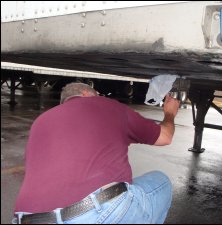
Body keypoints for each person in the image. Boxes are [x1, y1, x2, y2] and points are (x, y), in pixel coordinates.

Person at [13, 82, 180, 224]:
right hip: (96, 212)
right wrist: (170, 113)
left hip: (28, 219)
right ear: (87, 93)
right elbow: (165, 136)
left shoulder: (40, 121)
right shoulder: (107, 106)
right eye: (97, 94)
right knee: (161, 181)